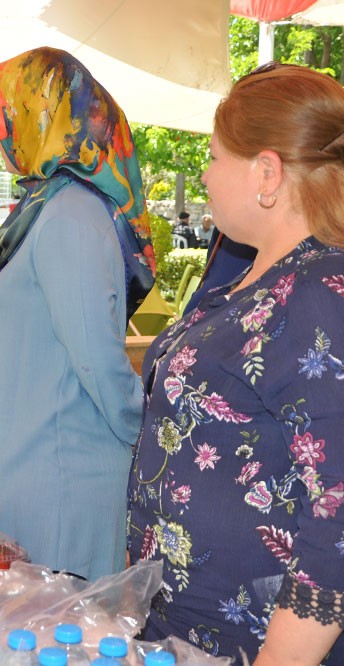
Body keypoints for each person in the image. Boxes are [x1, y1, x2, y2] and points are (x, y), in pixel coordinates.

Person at [128, 63, 344, 664]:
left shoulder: (320, 292)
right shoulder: (256, 279)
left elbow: (339, 515)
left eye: (216, 156)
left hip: (254, 646)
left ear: (267, 173)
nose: (204, 173)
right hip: (185, 632)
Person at [0, 47, 155, 582]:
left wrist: (142, 434)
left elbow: (97, 359)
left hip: (61, 479)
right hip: (31, 468)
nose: (3, 130)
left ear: (46, 118)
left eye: (12, 113)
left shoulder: (72, 215)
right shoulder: (45, 207)